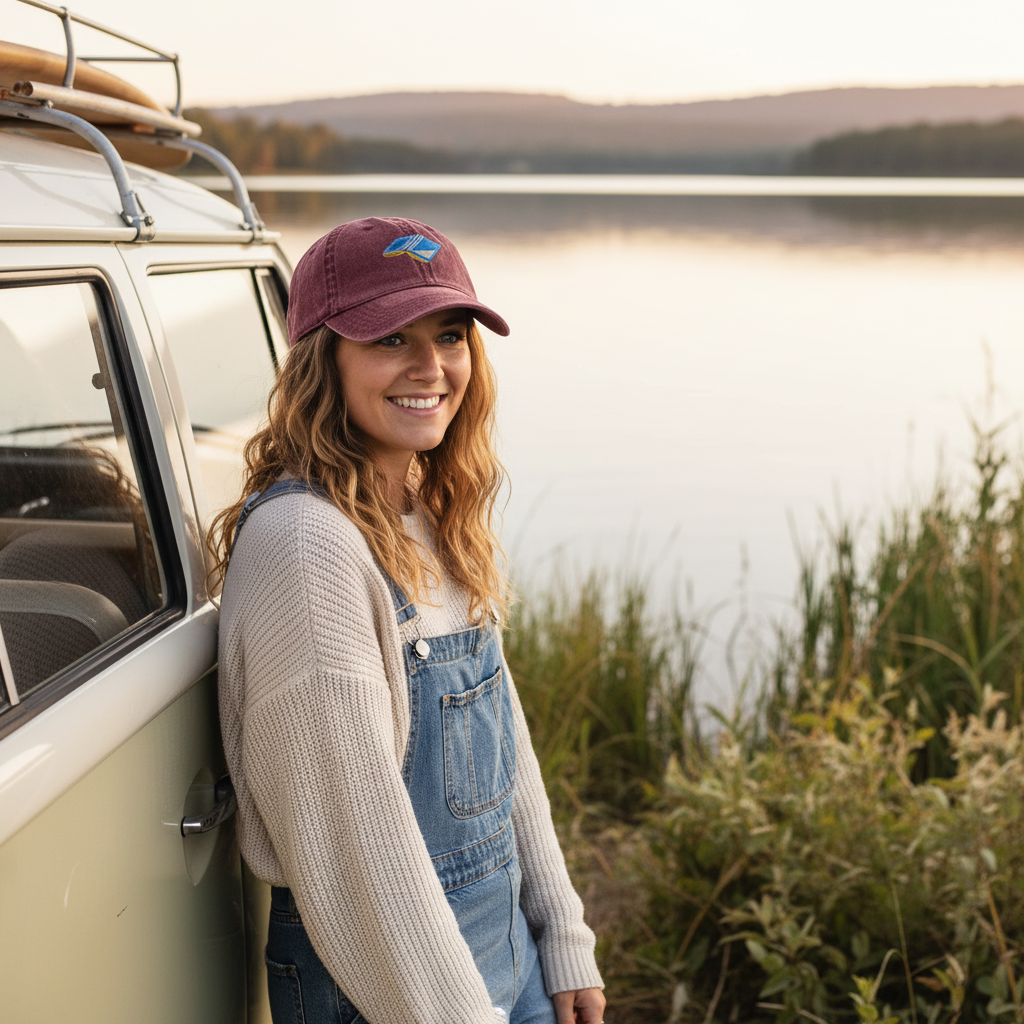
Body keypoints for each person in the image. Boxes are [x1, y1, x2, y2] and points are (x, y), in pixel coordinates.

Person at [213, 217, 606, 1024]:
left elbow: (504, 748)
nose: (432, 367)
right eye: (391, 338)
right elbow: (357, 860)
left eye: (451, 335)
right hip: (389, 990)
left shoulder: (426, 508)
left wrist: (560, 932)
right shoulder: (307, 547)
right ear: (325, 358)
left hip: (504, 954)